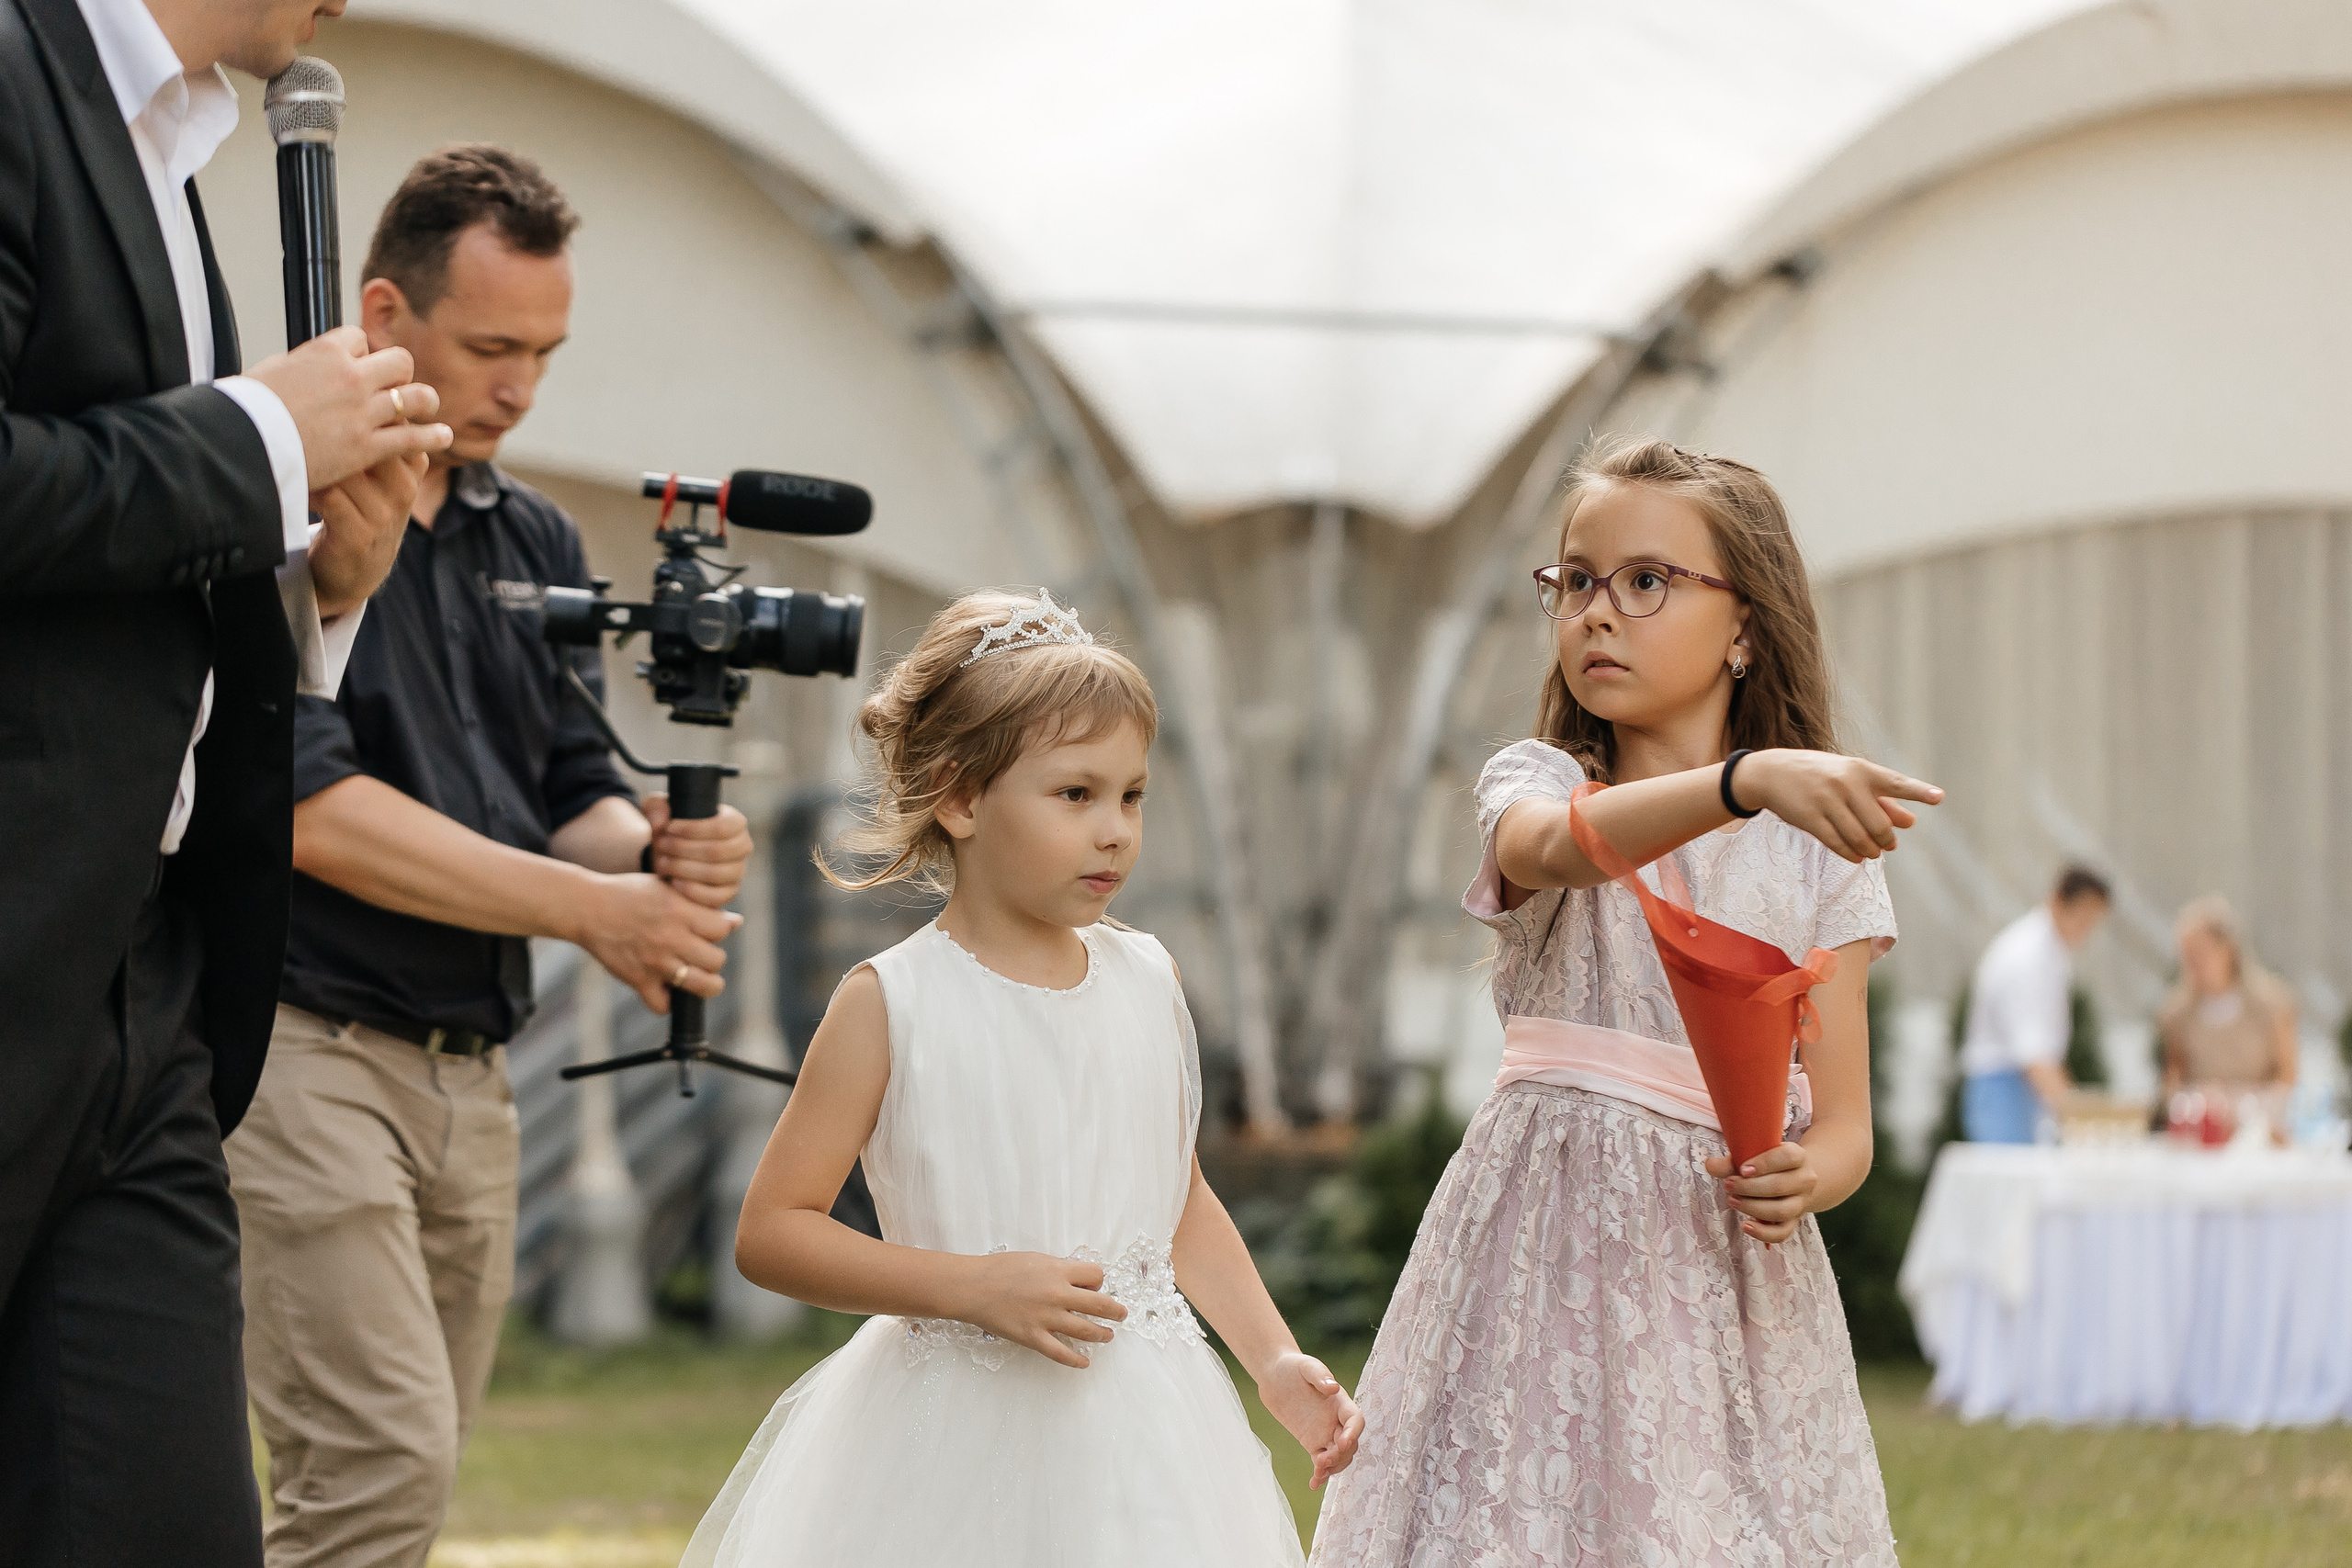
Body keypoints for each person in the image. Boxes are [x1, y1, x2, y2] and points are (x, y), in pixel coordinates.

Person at [223, 145, 752, 1568]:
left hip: (476, 1073)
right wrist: (603, 910)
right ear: (385, 316)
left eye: (546, 352)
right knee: (379, 1467)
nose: (520, 386)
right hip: (302, 1046)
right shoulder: (283, 508)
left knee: (402, 1485)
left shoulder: (533, 529)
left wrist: (654, 846)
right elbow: (307, 812)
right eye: (492, 346)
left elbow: (567, 785)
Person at [1308, 438, 1943, 1567]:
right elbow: (1560, 851)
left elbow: (1843, 1123)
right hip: (1538, 1243)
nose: (1598, 612)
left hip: (1721, 1275)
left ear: (1744, 625)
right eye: (1576, 579)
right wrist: (1743, 783)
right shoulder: (1539, 782)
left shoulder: (1819, 856)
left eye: (1647, 581)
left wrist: (1814, 1173)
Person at [0, 1, 454, 1561]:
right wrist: (262, 432)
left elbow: (119, 583)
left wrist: (315, 582)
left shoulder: (173, 158)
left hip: (143, 997)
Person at [684, 591, 1362, 1566]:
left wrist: (1271, 1357)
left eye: (1131, 796)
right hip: (948, 1435)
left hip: (1147, 1430)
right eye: (1074, 795)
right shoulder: (892, 1001)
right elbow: (773, 1232)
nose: (1115, 831)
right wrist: (970, 1286)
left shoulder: (1149, 979)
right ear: (961, 799)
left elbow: (1176, 1200)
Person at [1959, 864, 2110, 1144]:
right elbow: (2033, 1054)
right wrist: (2084, 1121)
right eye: (2083, 918)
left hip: (2022, 1091)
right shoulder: (2026, 956)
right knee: (2011, 1182)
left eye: (2092, 922)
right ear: (2058, 901)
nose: (2086, 931)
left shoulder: (2051, 954)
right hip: (2003, 1088)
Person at [2158, 893, 2296, 1111]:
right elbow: (2175, 1077)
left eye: (2201, 953)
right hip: (2204, 1124)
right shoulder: (2178, 1013)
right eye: (2187, 955)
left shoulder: (2271, 1005)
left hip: (2258, 1123)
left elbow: (2287, 1075)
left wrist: (2250, 1104)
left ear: (2228, 950)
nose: (2193, 963)